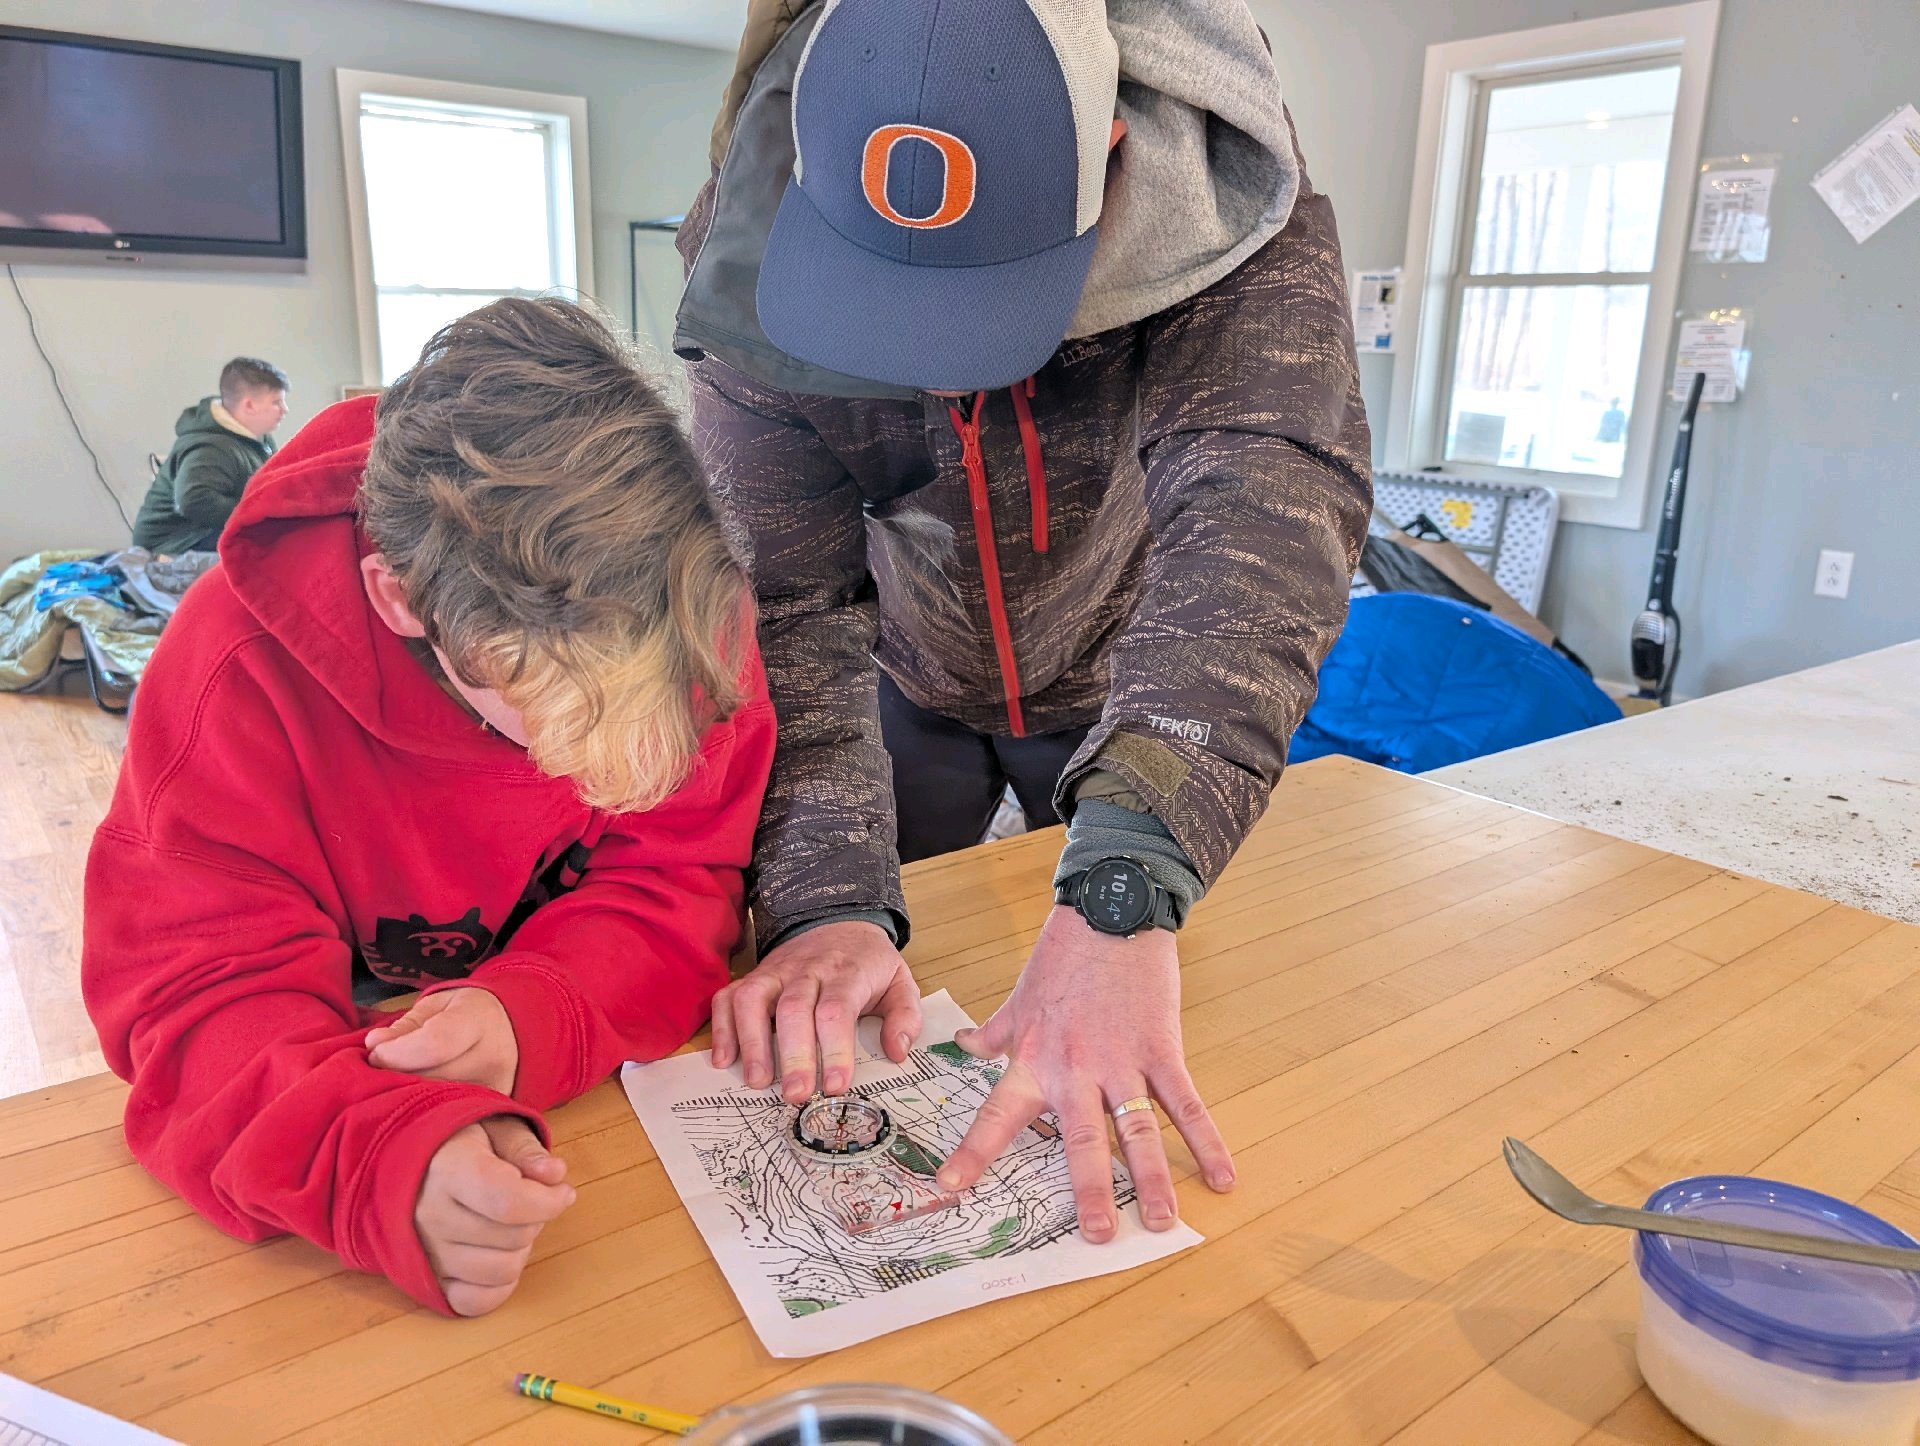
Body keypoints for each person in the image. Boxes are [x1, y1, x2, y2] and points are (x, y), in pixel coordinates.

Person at [677, 0, 1372, 1244]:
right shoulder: (749, 247)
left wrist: (1127, 878)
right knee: (861, 964)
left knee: (1128, 1006)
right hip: (902, 672)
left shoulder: (1229, 200)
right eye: (883, 308)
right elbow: (782, 605)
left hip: (1125, 676)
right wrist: (825, 897)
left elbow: (1263, 501)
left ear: (1111, 155)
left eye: (984, 307)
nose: (938, 371)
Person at [83, 299, 782, 1317]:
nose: (586, 784)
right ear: (400, 600)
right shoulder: (233, 672)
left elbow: (679, 875)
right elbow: (195, 1002)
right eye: (548, 715)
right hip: (322, 1098)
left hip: (582, 1119)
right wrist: (376, 1156)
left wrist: (529, 1014)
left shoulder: (686, 609)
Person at [131, 357, 289, 555]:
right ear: (249, 405)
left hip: (201, 534)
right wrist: (260, 512)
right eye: (277, 402)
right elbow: (194, 501)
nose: (285, 409)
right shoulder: (209, 447)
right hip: (174, 543)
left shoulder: (259, 439)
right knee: (271, 548)